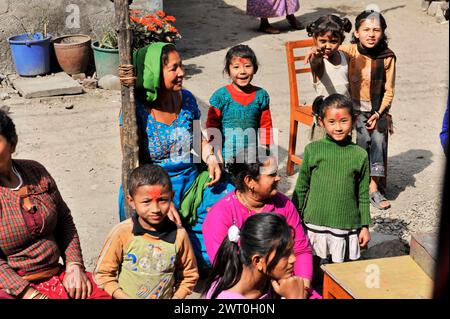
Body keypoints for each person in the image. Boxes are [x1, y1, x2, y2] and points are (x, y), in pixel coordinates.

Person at [118, 42, 235, 274]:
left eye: (181, 66)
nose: (182, 72)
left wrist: (210, 157)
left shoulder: (187, 99)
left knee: (231, 199)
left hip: (190, 182)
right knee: (161, 251)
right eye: (174, 68)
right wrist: (161, 199)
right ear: (153, 74)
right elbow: (134, 165)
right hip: (150, 187)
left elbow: (197, 138)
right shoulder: (134, 109)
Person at [0, 109, 110, 299]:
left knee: (104, 294)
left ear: (13, 144)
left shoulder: (35, 171)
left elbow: (64, 220)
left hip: (56, 274)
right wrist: (29, 294)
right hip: (12, 287)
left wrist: (74, 266)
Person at [202, 146, 314, 297]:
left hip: (286, 284)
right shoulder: (220, 215)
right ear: (250, 181)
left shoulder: (284, 204)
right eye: (272, 174)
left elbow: (301, 250)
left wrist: (302, 289)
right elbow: (227, 268)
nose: (278, 178)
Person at [94, 164, 198, 299]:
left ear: (171, 197)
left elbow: (189, 275)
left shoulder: (179, 235)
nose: (155, 209)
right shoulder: (122, 233)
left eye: (162, 200)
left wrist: (177, 297)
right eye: (146, 201)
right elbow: (103, 274)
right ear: (131, 201)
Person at [292, 94, 371, 268]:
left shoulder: (360, 155)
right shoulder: (313, 150)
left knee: (340, 273)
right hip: (314, 222)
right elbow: (301, 187)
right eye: (332, 122)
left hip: (345, 224)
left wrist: (364, 225)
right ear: (321, 122)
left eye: (344, 121)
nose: (338, 127)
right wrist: (293, 219)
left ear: (354, 119)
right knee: (310, 269)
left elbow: (363, 193)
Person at [339, 10, 396, 210]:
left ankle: (373, 187)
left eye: (376, 30)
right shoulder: (348, 51)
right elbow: (328, 51)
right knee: (363, 136)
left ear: (382, 33)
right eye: (366, 30)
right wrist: (317, 54)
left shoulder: (387, 57)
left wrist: (378, 114)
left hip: (377, 109)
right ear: (356, 32)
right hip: (351, 109)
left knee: (379, 135)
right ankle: (357, 184)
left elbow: (389, 90)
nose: (371, 34)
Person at [203, 213, 305, 299]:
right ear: (257, 261)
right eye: (285, 254)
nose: (294, 259)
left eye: (292, 251)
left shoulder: (267, 283)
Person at [206, 45, 273, 164]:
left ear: (255, 69)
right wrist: (215, 154)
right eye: (236, 67)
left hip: (251, 158)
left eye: (247, 66)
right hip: (226, 157)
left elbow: (266, 126)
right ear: (228, 71)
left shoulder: (261, 96)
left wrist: (265, 151)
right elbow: (212, 127)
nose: (242, 71)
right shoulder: (221, 97)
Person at [305, 14, 352, 141]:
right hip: (324, 118)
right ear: (315, 39)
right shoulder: (318, 60)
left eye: (333, 41)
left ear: (341, 40)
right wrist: (316, 54)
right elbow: (316, 63)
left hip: (344, 116)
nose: (328, 46)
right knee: (322, 153)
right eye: (323, 41)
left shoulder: (345, 56)